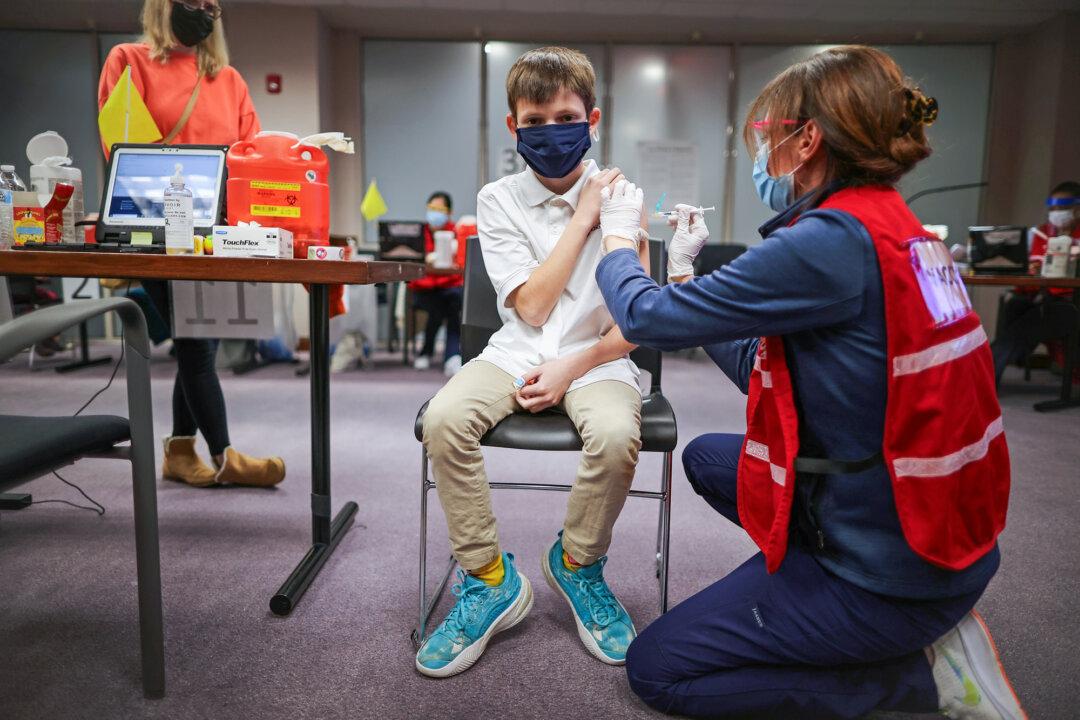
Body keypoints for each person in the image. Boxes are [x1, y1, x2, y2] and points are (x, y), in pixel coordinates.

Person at [595, 46, 1025, 719]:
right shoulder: (901, 229)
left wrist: (619, 241)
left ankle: (919, 681)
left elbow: (645, 316)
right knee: (710, 458)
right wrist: (686, 275)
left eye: (765, 135)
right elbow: (768, 374)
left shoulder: (827, 243)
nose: (762, 153)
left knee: (657, 672)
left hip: (892, 575)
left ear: (807, 139)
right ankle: (819, 596)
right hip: (928, 531)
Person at [415, 46, 649, 678]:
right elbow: (537, 309)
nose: (552, 131)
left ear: (593, 119)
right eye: (535, 120)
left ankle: (576, 564)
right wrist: (583, 218)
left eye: (566, 116)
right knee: (443, 420)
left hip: (597, 359)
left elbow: (638, 320)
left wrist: (572, 368)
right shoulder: (497, 200)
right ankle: (490, 578)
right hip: (516, 350)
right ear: (514, 127)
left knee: (618, 432)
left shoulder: (626, 198)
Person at [98, 0, 285, 488]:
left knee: (199, 339)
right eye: (193, 3)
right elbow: (121, 150)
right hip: (157, 234)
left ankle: (180, 450)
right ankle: (225, 455)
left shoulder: (230, 79)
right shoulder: (127, 60)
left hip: (216, 236)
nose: (203, 12)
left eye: (211, 6)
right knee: (197, 345)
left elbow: (249, 155)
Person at [990, 181, 1080, 385]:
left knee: (1035, 318)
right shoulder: (1040, 234)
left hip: (1071, 301)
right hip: (1041, 296)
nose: (1056, 213)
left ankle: (988, 369)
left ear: (1077, 209)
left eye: (1063, 208)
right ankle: (1003, 363)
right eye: (1053, 208)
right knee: (1015, 304)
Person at [410, 191, 465, 376]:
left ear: (449, 212)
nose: (435, 213)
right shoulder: (417, 234)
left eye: (439, 209)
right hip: (424, 288)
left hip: (449, 286)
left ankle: (433, 354)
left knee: (454, 301)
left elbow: (460, 264)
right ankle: (450, 356)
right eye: (431, 208)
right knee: (440, 304)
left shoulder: (456, 232)